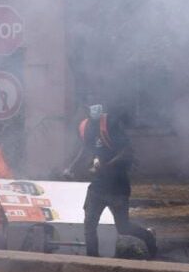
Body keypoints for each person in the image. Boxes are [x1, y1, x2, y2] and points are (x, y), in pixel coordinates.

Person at [65, 104, 157, 258]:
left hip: (117, 187)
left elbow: (127, 151)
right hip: (97, 187)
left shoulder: (110, 124)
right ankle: (93, 261)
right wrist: (71, 167)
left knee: (123, 227)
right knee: (89, 225)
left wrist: (107, 166)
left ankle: (148, 237)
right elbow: (85, 149)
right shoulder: (85, 127)